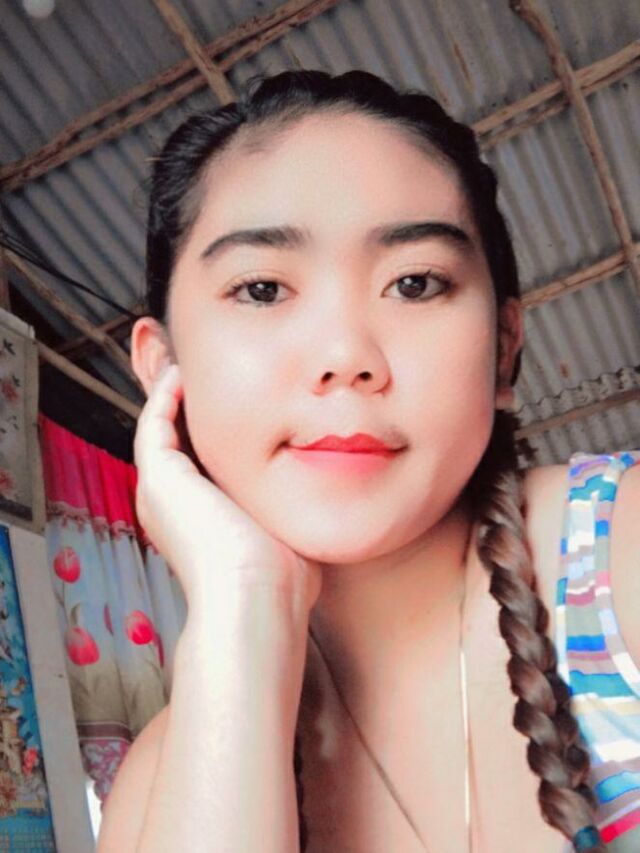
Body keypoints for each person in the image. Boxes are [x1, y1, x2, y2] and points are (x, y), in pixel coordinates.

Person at [96, 70, 640, 853]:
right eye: (261, 289)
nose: (345, 354)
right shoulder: (159, 784)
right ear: (162, 369)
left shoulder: (619, 553)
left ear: (503, 349)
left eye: (414, 283)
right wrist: (244, 602)